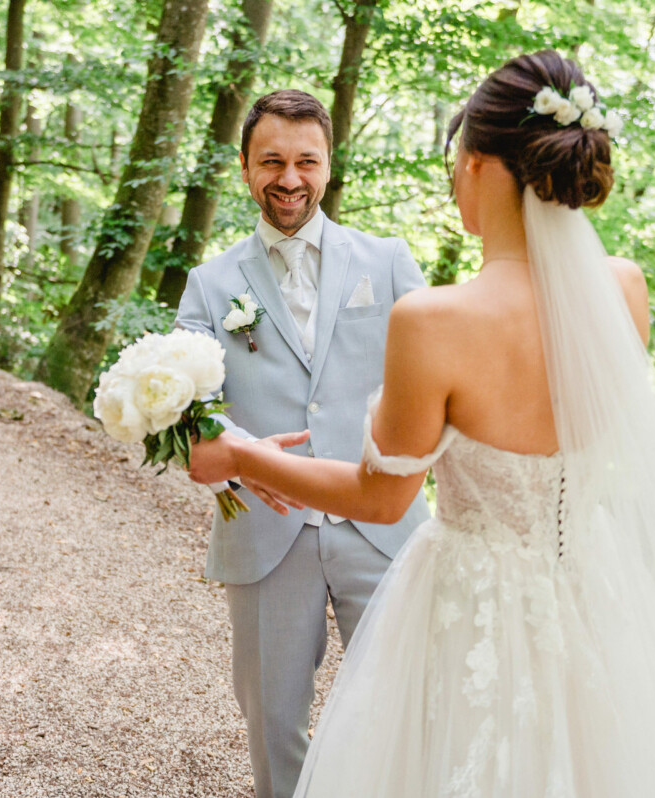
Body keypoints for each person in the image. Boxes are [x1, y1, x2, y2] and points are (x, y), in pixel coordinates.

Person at [188, 51, 655, 796]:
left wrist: (240, 456)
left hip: (471, 607)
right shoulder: (624, 290)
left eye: (457, 159)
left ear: (481, 163)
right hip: (596, 595)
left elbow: (382, 497)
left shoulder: (436, 320)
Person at [174, 89, 430, 798]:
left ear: (328, 165)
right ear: (244, 166)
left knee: (406, 710)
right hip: (266, 528)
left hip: (383, 526)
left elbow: (434, 375)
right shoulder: (210, 284)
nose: (289, 179)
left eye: (306, 161)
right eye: (271, 161)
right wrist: (240, 451)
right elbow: (187, 408)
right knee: (273, 721)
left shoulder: (387, 261)